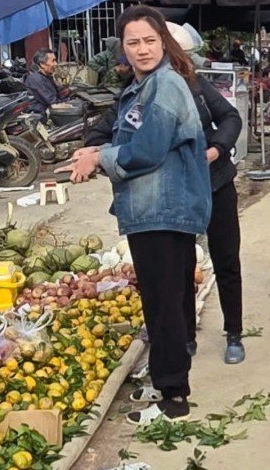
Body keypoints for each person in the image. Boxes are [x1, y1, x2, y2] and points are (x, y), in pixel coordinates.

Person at [63, 6, 211, 423]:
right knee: (165, 299)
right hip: (154, 209)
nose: (142, 49)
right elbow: (130, 137)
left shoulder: (165, 84)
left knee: (165, 303)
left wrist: (99, 158)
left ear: (163, 41)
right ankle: (167, 380)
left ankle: (174, 399)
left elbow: (147, 149)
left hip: (163, 208)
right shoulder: (144, 85)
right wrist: (97, 149)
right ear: (122, 49)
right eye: (133, 42)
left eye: (149, 40)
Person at [83, 23, 247, 364]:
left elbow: (230, 117)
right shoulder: (137, 93)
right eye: (135, 44)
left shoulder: (194, 85)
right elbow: (102, 132)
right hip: (173, 195)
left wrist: (214, 150)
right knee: (181, 267)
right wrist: (96, 152)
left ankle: (234, 333)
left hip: (214, 183)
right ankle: (185, 336)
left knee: (226, 259)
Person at [25, 49, 69, 113]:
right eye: (53, 61)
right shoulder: (36, 79)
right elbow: (51, 101)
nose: (56, 64)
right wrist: (68, 104)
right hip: (40, 114)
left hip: (49, 111)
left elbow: (60, 92)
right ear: (42, 64)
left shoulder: (47, 77)